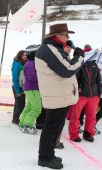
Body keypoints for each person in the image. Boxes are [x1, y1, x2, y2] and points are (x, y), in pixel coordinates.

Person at [35, 23, 84, 169]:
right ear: (57, 36)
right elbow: (68, 70)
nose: (68, 38)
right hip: (57, 96)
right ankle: (45, 157)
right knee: (51, 127)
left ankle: (48, 154)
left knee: (54, 127)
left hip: (58, 95)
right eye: (66, 35)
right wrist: (79, 57)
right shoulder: (49, 49)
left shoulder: (53, 49)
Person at [69, 48, 102, 142]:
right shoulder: (79, 65)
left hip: (93, 96)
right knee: (76, 116)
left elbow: (98, 80)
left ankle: (88, 133)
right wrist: (78, 90)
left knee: (91, 116)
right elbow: (74, 79)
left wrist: (98, 93)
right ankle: (74, 134)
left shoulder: (94, 65)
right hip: (81, 95)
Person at [19, 45, 41, 135]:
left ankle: (23, 123)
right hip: (32, 88)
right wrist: (41, 74)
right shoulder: (30, 64)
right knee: (36, 108)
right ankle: (28, 125)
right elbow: (32, 77)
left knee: (29, 107)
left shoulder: (31, 63)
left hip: (30, 88)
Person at [11, 50, 27, 124]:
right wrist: (17, 90)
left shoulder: (23, 63)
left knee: (18, 103)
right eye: (23, 55)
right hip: (17, 87)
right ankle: (15, 118)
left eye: (26, 55)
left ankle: (15, 118)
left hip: (21, 86)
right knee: (21, 104)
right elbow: (15, 78)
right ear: (20, 55)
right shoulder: (17, 64)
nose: (25, 56)